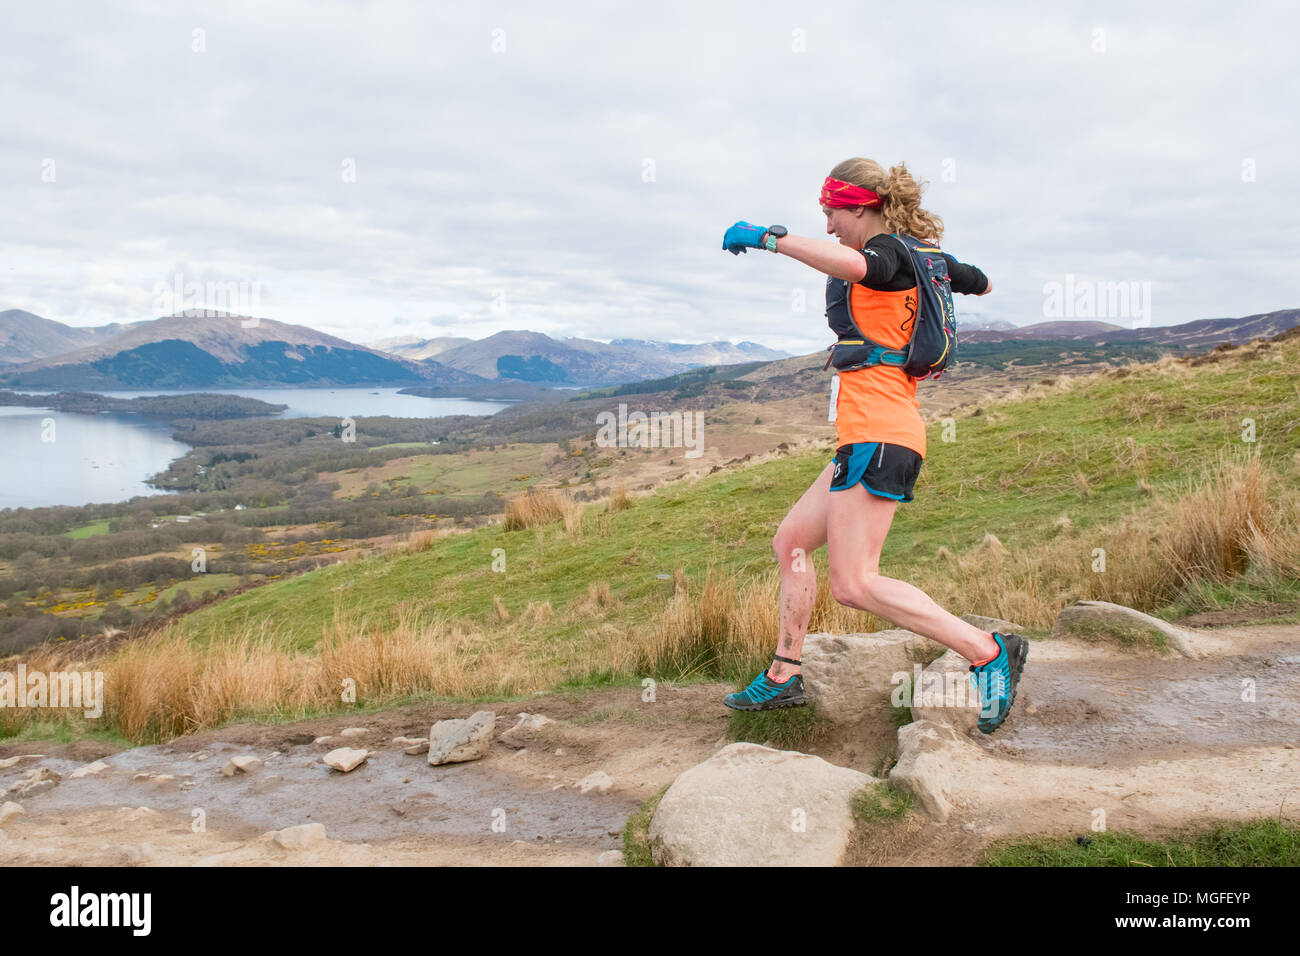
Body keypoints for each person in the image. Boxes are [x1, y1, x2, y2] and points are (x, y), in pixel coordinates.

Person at [718, 157, 1027, 734]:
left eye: (832, 212)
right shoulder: (921, 257)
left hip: (882, 435)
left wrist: (772, 240)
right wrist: (952, 273)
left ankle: (986, 651)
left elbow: (854, 262)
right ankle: (786, 676)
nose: (829, 224)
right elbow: (980, 280)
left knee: (855, 583)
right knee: (792, 544)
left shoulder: (884, 256)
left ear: (860, 206)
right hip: (866, 434)